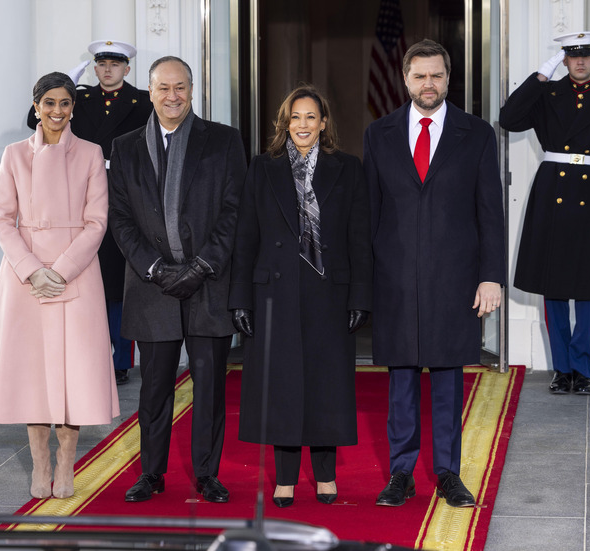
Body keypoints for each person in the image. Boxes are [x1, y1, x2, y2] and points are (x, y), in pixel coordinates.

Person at [363, 39, 506, 508]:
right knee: (401, 379)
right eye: (420, 75)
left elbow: (490, 211)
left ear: (449, 79)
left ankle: (448, 473)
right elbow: (370, 212)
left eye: (437, 75)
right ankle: (400, 474)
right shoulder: (379, 133)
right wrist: (366, 282)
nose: (429, 84)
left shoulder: (477, 133)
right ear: (405, 79)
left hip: (455, 279)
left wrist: (492, 276)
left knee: (447, 378)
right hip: (396, 279)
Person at [108, 56, 247, 503]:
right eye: (164, 87)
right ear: (149, 92)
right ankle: (151, 474)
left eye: (181, 87)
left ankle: (207, 474)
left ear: (192, 89)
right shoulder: (125, 146)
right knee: (153, 389)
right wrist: (155, 269)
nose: (173, 96)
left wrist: (202, 266)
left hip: (208, 284)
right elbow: (121, 218)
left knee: (208, 387)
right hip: (153, 288)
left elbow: (233, 212)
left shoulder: (224, 141)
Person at [229, 85, 371, 508]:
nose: (303, 125)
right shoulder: (263, 167)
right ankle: (286, 479)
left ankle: (326, 477)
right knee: (282, 388)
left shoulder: (348, 168)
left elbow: (359, 237)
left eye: (311, 117)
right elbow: (246, 236)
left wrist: (360, 296)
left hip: (329, 292)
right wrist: (240, 297)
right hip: (275, 292)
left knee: (327, 386)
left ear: (324, 122)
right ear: (284, 123)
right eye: (295, 117)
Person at [0, 72, 120, 500]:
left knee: (74, 375)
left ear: (73, 107)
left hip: (75, 275)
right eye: (49, 103)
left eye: (64, 103)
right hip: (25, 279)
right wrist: (31, 268)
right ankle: (41, 461)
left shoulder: (92, 154)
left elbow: (98, 221)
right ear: (36, 105)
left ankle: (66, 461)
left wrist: (60, 269)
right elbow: (3, 219)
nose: (57, 111)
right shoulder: (14, 155)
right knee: (33, 376)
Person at [499, 32, 590, 396]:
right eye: (572, 56)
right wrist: (540, 76)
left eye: (586, 55)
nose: (580, 61)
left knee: (588, 289)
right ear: (563, 59)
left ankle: (583, 370)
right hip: (552, 194)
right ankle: (562, 370)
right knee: (555, 287)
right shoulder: (548, 94)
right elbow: (509, 118)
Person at [27, 40, 154, 386]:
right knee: (81, 274)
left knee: (118, 283)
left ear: (127, 69)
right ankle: (83, 354)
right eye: (102, 64)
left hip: (125, 193)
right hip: (77, 194)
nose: (108, 69)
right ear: (94, 67)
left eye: (116, 64)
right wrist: (65, 81)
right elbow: (32, 120)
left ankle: (119, 360)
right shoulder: (77, 100)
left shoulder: (143, 101)